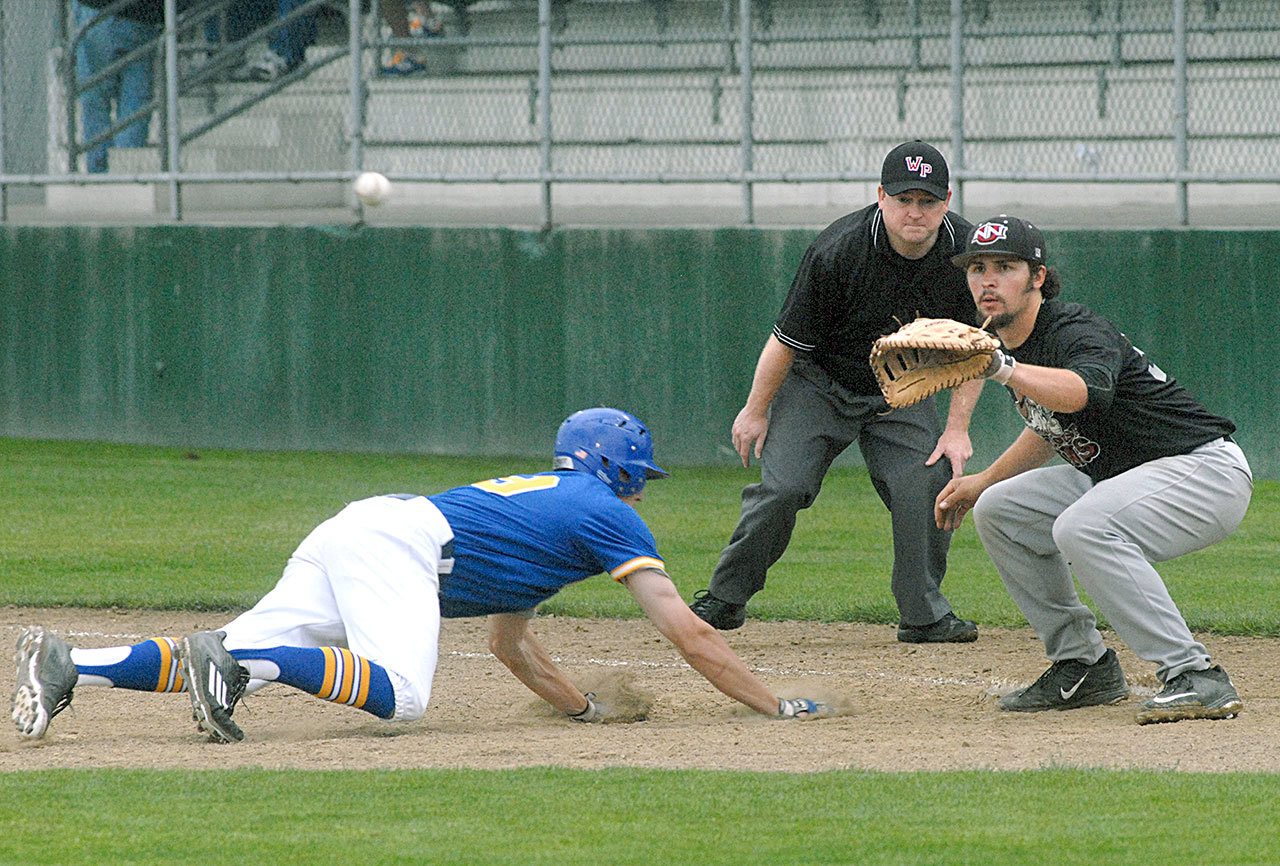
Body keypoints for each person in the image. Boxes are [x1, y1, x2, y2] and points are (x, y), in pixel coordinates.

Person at [12, 408, 831, 743]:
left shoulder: (549, 512)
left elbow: (512, 646)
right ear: (619, 469)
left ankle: (69, 664)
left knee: (238, 645)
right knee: (400, 696)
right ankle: (235, 666)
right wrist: (774, 705)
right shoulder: (605, 513)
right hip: (398, 547)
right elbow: (688, 631)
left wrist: (581, 709)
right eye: (639, 474)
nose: (641, 488)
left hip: (365, 528)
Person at [935, 215, 1252, 724]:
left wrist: (1000, 368)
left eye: (1005, 266)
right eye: (976, 268)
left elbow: (1082, 392)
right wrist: (983, 481)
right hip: (1127, 475)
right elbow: (1050, 426)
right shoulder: (1014, 345)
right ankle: (1083, 666)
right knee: (1000, 509)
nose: (987, 280)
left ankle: (1195, 676)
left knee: (1084, 525)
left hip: (1201, 470)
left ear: (1038, 277)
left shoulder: (1076, 330)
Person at [689, 140, 984, 643]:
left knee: (925, 486)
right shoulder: (838, 250)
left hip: (904, 389)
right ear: (880, 197)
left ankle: (923, 614)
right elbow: (785, 341)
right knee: (783, 488)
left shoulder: (968, 255)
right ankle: (726, 597)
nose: (915, 212)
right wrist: (754, 410)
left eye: (928, 201)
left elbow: (978, 348)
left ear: (947, 200)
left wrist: (956, 431)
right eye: (903, 199)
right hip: (820, 382)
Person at [72, 0, 161, 173]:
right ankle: (127, 169)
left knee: (96, 98)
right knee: (136, 100)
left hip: (96, 12)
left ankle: (100, 172)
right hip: (141, 14)